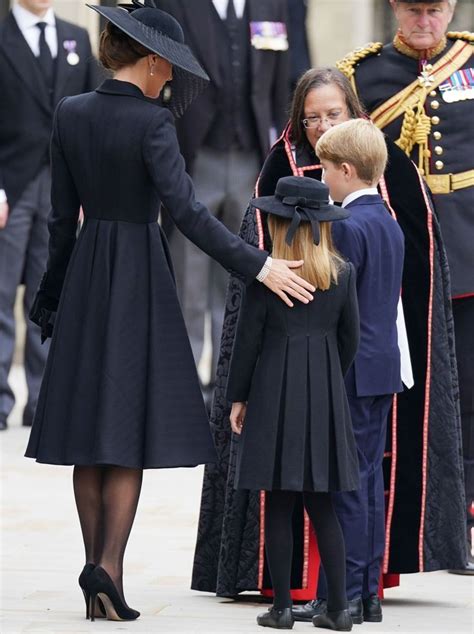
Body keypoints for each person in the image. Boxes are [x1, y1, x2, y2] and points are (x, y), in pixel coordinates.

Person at [24, 3, 315, 622]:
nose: (172, 81)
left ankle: (95, 568)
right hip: (136, 277)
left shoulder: (70, 113)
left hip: (84, 279)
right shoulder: (153, 124)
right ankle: (110, 567)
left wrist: (50, 295)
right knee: (125, 427)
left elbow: (59, 221)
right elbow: (188, 215)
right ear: (152, 59)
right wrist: (259, 264)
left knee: (87, 432)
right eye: (170, 69)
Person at [191, 67, 465, 604]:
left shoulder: (381, 176)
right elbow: (260, 269)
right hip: (323, 361)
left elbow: (410, 268)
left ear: (353, 115)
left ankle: (349, 591)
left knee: (348, 480)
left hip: (345, 362)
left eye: (331, 115)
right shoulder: (282, 166)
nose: (319, 126)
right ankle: (330, 589)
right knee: (343, 477)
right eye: (311, 117)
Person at [336, 0, 473, 575]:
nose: (426, 20)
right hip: (402, 249)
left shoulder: (470, 60)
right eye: (415, 9)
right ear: (396, 8)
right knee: (403, 391)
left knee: (469, 389)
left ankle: (461, 523)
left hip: (469, 244)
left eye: (435, 9)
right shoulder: (360, 76)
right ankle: (399, 522)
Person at [228, 175, 359, 631]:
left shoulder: (269, 277)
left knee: (280, 503)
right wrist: (325, 379)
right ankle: (339, 608)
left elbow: (247, 344)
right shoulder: (341, 274)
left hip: (273, 392)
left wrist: (238, 398)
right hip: (324, 396)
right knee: (323, 505)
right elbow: (351, 341)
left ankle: (282, 608)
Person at [154, 0, 290, 405]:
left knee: (238, 272)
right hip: (195, 153)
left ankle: (227, 376)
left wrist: (278, 153)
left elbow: (280, 79)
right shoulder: (178, 5)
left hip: (252, 154)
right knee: (189, 273)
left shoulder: (272, 5)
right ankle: (182, 377)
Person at [311, 119, 404, 624]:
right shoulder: (387, 220)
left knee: (343, 484)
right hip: (382, 366)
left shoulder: (345, 225)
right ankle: (365, 593)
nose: (322, 178)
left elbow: (335, 306)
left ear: (345, 170)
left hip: (348, 370)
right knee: (367, 483)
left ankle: (340, 597)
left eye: (325, 168)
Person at [0, 0, 100, 431]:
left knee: (49, 290)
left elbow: (92, 114)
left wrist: (86, 185)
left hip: (62, 189)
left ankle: (42, 400)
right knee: (1, 294)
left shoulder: (77, 38)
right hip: (10, 186)